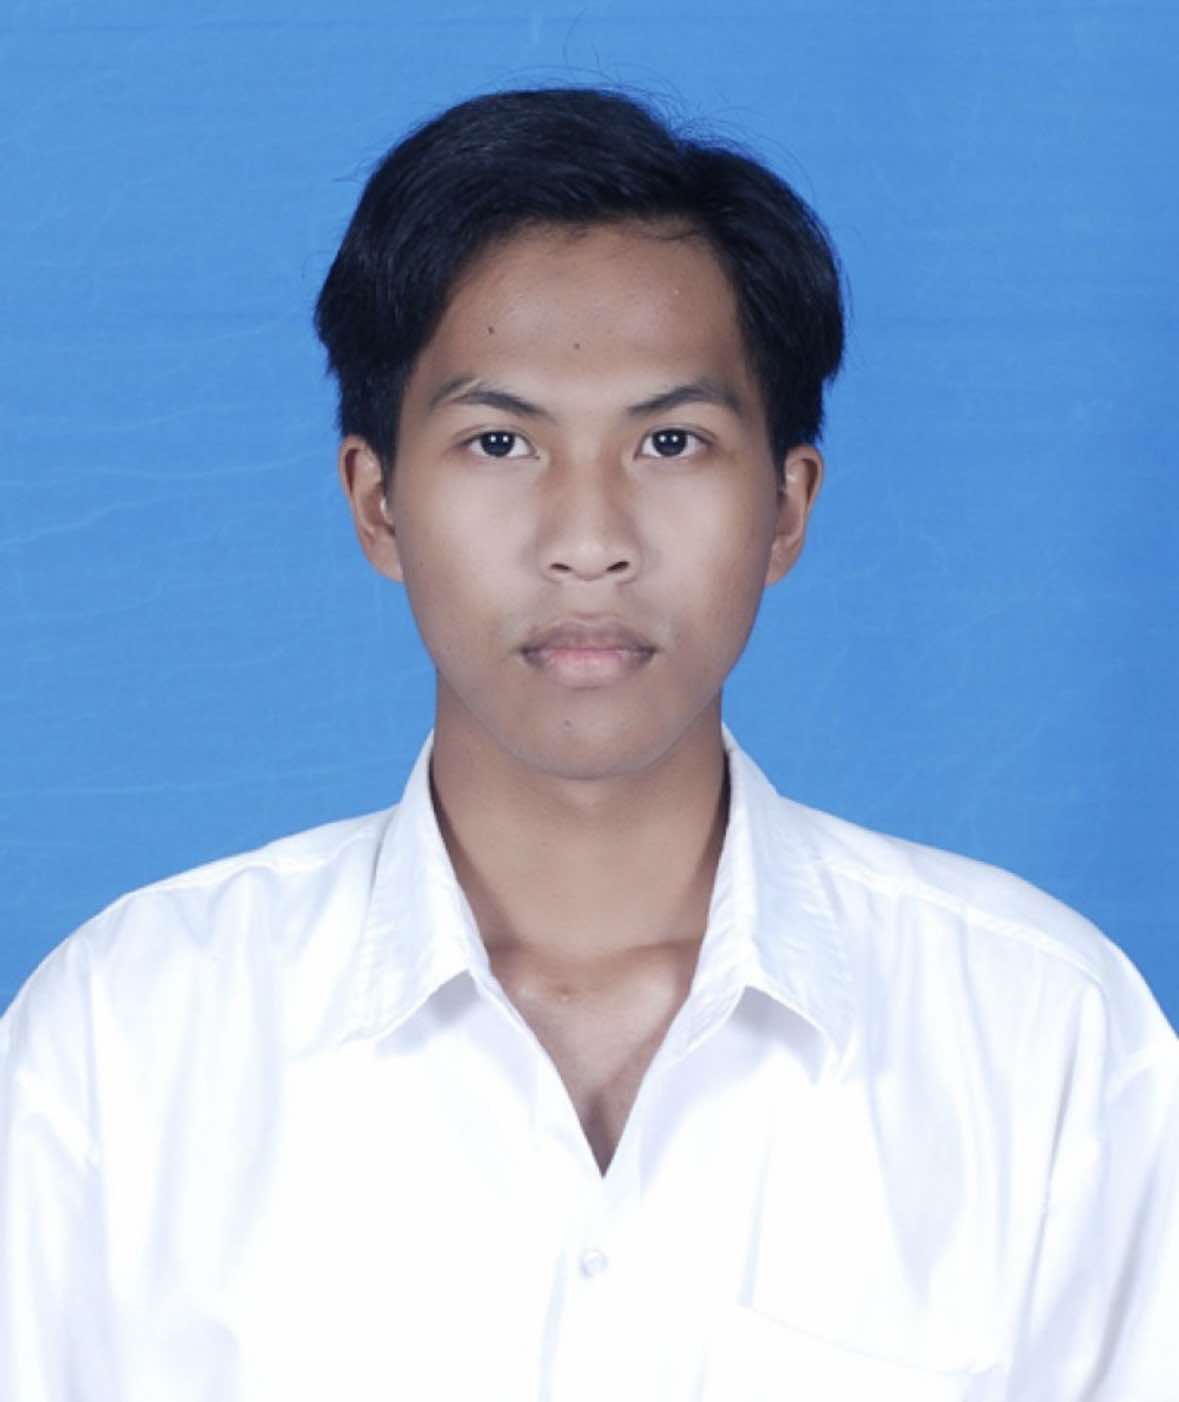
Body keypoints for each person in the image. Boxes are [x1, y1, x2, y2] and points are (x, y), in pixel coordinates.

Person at [1, 87, 1175, 1402]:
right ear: (377, 503)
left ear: (787, 507)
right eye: (500, 441)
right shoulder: (125, 1044)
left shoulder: (1044, 1043)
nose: (588, 539)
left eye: (671, 441)